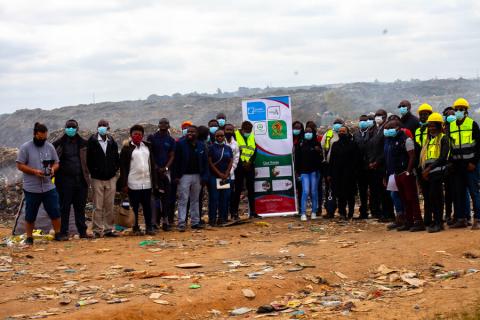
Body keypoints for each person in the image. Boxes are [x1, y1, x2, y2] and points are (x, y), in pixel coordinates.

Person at [16, 123, 64, 245]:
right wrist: (34, 172)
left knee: (55, 210)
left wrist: (53, 169)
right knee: (30, 213)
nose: (42, 140)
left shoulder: (50, 147)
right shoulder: (25, 147)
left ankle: (58, 234)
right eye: (40, 138)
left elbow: (57, 163)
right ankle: (29, 237)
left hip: (48, 186)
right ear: (35, 134)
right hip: (31, 188)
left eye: (44, 138)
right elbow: (20, 165)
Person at [383, 119, 425, 231]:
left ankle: (418, 221)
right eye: (387, 129)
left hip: (405, 173)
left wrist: (408, 171)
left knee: (412, 197)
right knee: (403, 198)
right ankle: (409, 221)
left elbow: (412, 156)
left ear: (398, 127)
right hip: (396, 173)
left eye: (390, 128)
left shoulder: (407, 140)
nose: (388, 131)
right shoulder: (391, 140)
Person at [53, 119, 91, 239]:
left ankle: (82, 232)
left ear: (77, 129)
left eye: (73, 127)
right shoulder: (58, 144)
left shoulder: (84, 143)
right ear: (65, 128)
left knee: (80, 207)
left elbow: (89, 161)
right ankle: (63, 232)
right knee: (64, 208)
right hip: (64, 181)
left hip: (81, 180)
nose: (71, 129)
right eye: (68, 127)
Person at [118, 124, 157, 236]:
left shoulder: (147, 147)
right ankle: (135, 227)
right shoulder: (126, 148)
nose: (137, 136)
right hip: (133, 183)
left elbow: (152, 165)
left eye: (140, 134)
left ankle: (149, 227)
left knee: (147, 206)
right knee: (134, 207)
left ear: (143, 135)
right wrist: (124, 184)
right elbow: (123, 168)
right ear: (131, 135)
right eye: (135, 134)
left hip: (147, 182)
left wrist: (154, 182)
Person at [448, 98, 480, 229]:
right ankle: (461, 219)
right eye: (456, 109)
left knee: (474, 192)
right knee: (459, 193)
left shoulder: (472, 124)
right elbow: (450, 146)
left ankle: (477, 219)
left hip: (471, 165)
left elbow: (478, 146)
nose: (458, 111)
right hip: (458, 165)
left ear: (466, 110)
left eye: (461, 109)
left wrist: (473, 162)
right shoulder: (451, 126)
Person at [86, 119, 120, 238]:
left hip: (111, 177)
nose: (102, 127)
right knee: (98, 205)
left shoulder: (111, 141)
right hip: (97, 178)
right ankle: (96, 229)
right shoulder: (92, 141)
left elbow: (116, 157)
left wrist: (114, 169)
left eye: (104, 126)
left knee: (109, 205)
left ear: (108, 128)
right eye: (100, 125)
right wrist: (93, 172)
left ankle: (108, 229)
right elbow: (88, 159)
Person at [419, 113, 450, 232]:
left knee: (436, 197)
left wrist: (428, 169)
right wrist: (424, 171)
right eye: (429, 126)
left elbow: (443, 157)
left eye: (433, 126)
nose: (431, 128)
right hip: (429, 173)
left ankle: (439, 223)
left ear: (439, 126)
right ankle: (434, 221)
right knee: (431, 197)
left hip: (437, 172)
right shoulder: (428, 140)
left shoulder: (443, 138)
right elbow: (425, 158)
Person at [175, 125, 209, 231]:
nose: (190, 133)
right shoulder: (180, 144)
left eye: (193, 132)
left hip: (198, 176)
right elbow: (176, 160)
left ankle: (195, 222)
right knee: (183, 199)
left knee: (195, 199)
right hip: (184, 176)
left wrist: (204, 177)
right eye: (188, 132)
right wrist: (176, 176)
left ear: (197, 134)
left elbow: (205, 162)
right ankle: (181, 223)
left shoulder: (201, 145)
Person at [365, 109, 394, 221]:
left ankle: (389, 214)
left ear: (385, 117)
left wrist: (377, 162)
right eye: (376, 115)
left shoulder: (386, 129)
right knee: (377, 191)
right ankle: (380, 213)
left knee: (385, 191)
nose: (377, 117)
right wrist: (371, 162)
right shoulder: (374, 130)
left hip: (383, 164)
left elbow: (385, 149)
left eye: (380, 115)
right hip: (374, 164)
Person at [147, 118, 175, 231]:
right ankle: (154, 222)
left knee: (166, 198)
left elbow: (172, 155)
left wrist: (165, 168)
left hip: (166, 172)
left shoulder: (171, 140)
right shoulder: (152, 138)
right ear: (158, 125)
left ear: (169, 125)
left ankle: (165, 221)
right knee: (154, 197)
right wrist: (156, 167)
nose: (163, 124)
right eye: (161, 123)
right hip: (154, 172)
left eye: (166, 123)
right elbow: (150, 154)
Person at [327, 126, 358, 219]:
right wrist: (329, 173)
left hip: (350, 174)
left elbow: (357, 160)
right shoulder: (335, 145)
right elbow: (331, 160)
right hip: (338, 174)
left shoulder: (353, 144)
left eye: (343, 131)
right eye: (340, 131)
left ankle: (351, 213)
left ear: (347, 132)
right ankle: (342, 213)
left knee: (350, 195)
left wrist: (355, 172)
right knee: (340, 195)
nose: (341, 133)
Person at [231, 121, 258, 218]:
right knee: (237, 190)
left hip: (249, 166)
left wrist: (250, 162)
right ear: (242, 129)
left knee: (251, 189)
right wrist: (242, 163)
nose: (248, 132)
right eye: (246, 130)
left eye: (250, 130)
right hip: (238, 166)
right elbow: (233, 151)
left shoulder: (251, 136)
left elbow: (254, 151)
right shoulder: (235, 135)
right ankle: (234, 213)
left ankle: (253, 212)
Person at [295, 126, 323, 221]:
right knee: (305, 191)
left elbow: (321, 158)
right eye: (306, 131)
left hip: (314, 171)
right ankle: (303, 212)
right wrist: (297, 171)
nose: (308, 133)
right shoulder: (300, 143)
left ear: (313, 133)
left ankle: (314, 212)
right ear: (304, 132)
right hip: (304, 171)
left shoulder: (316, 143)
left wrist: (318, 151)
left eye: (310, 131)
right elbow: (297, 159)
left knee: (314, 192)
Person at [208, 129, 233, 226]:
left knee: (224, 198)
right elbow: (210, 162)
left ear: (224, 136)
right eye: (217, 136)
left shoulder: (228, 148)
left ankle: (222, 218)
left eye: (221, 136)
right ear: (215, 137)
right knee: (214, 198)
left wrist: (226, 173)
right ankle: (212, 219)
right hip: (214, 177)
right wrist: (219, 174)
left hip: (225, 177)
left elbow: (231, 161)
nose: (220, 137)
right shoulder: (211, 148)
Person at [414, 104, 433, 226]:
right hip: (420, 166)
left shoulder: (433, 130)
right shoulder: (417, 130)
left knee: (433, 193)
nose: (423, 116)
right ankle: (427, 219)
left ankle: (436, 219)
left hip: (431, 165)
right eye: (421, 114)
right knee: (425, 193)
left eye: (426, 114)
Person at [353, 115, 373, 219]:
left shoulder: (372, 133)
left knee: (373, 190)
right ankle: (363, 211)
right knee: (362, 191)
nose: (363, 123)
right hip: (359, 167)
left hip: (371, 166)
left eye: (365, 121)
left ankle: (375, 210)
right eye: (361, 121)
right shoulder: (355, 134)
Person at [224, 123, 240, 220]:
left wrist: (231, 169)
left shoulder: (236, 144)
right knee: (224, 195)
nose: (229, 132)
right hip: (221, 174)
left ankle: (234, 213)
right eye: (227, 130)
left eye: (231, 130)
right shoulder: (221, 141)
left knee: (232, 194)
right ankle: (224, 215)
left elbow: (236, 158)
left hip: (232, 174)